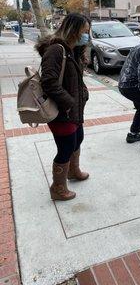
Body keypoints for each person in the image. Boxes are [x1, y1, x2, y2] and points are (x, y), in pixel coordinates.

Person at [35, 13, 90, 201]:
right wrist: (69, 102)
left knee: (78, 139)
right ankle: (57, 188)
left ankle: (73, 172)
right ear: (74, 30)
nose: (87, 35)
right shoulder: (56, 50)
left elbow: (73, 79)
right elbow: (49, 82)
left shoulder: (72, 50)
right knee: (66, 147)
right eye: (84, 31)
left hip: (74, 110)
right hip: (61, 111)